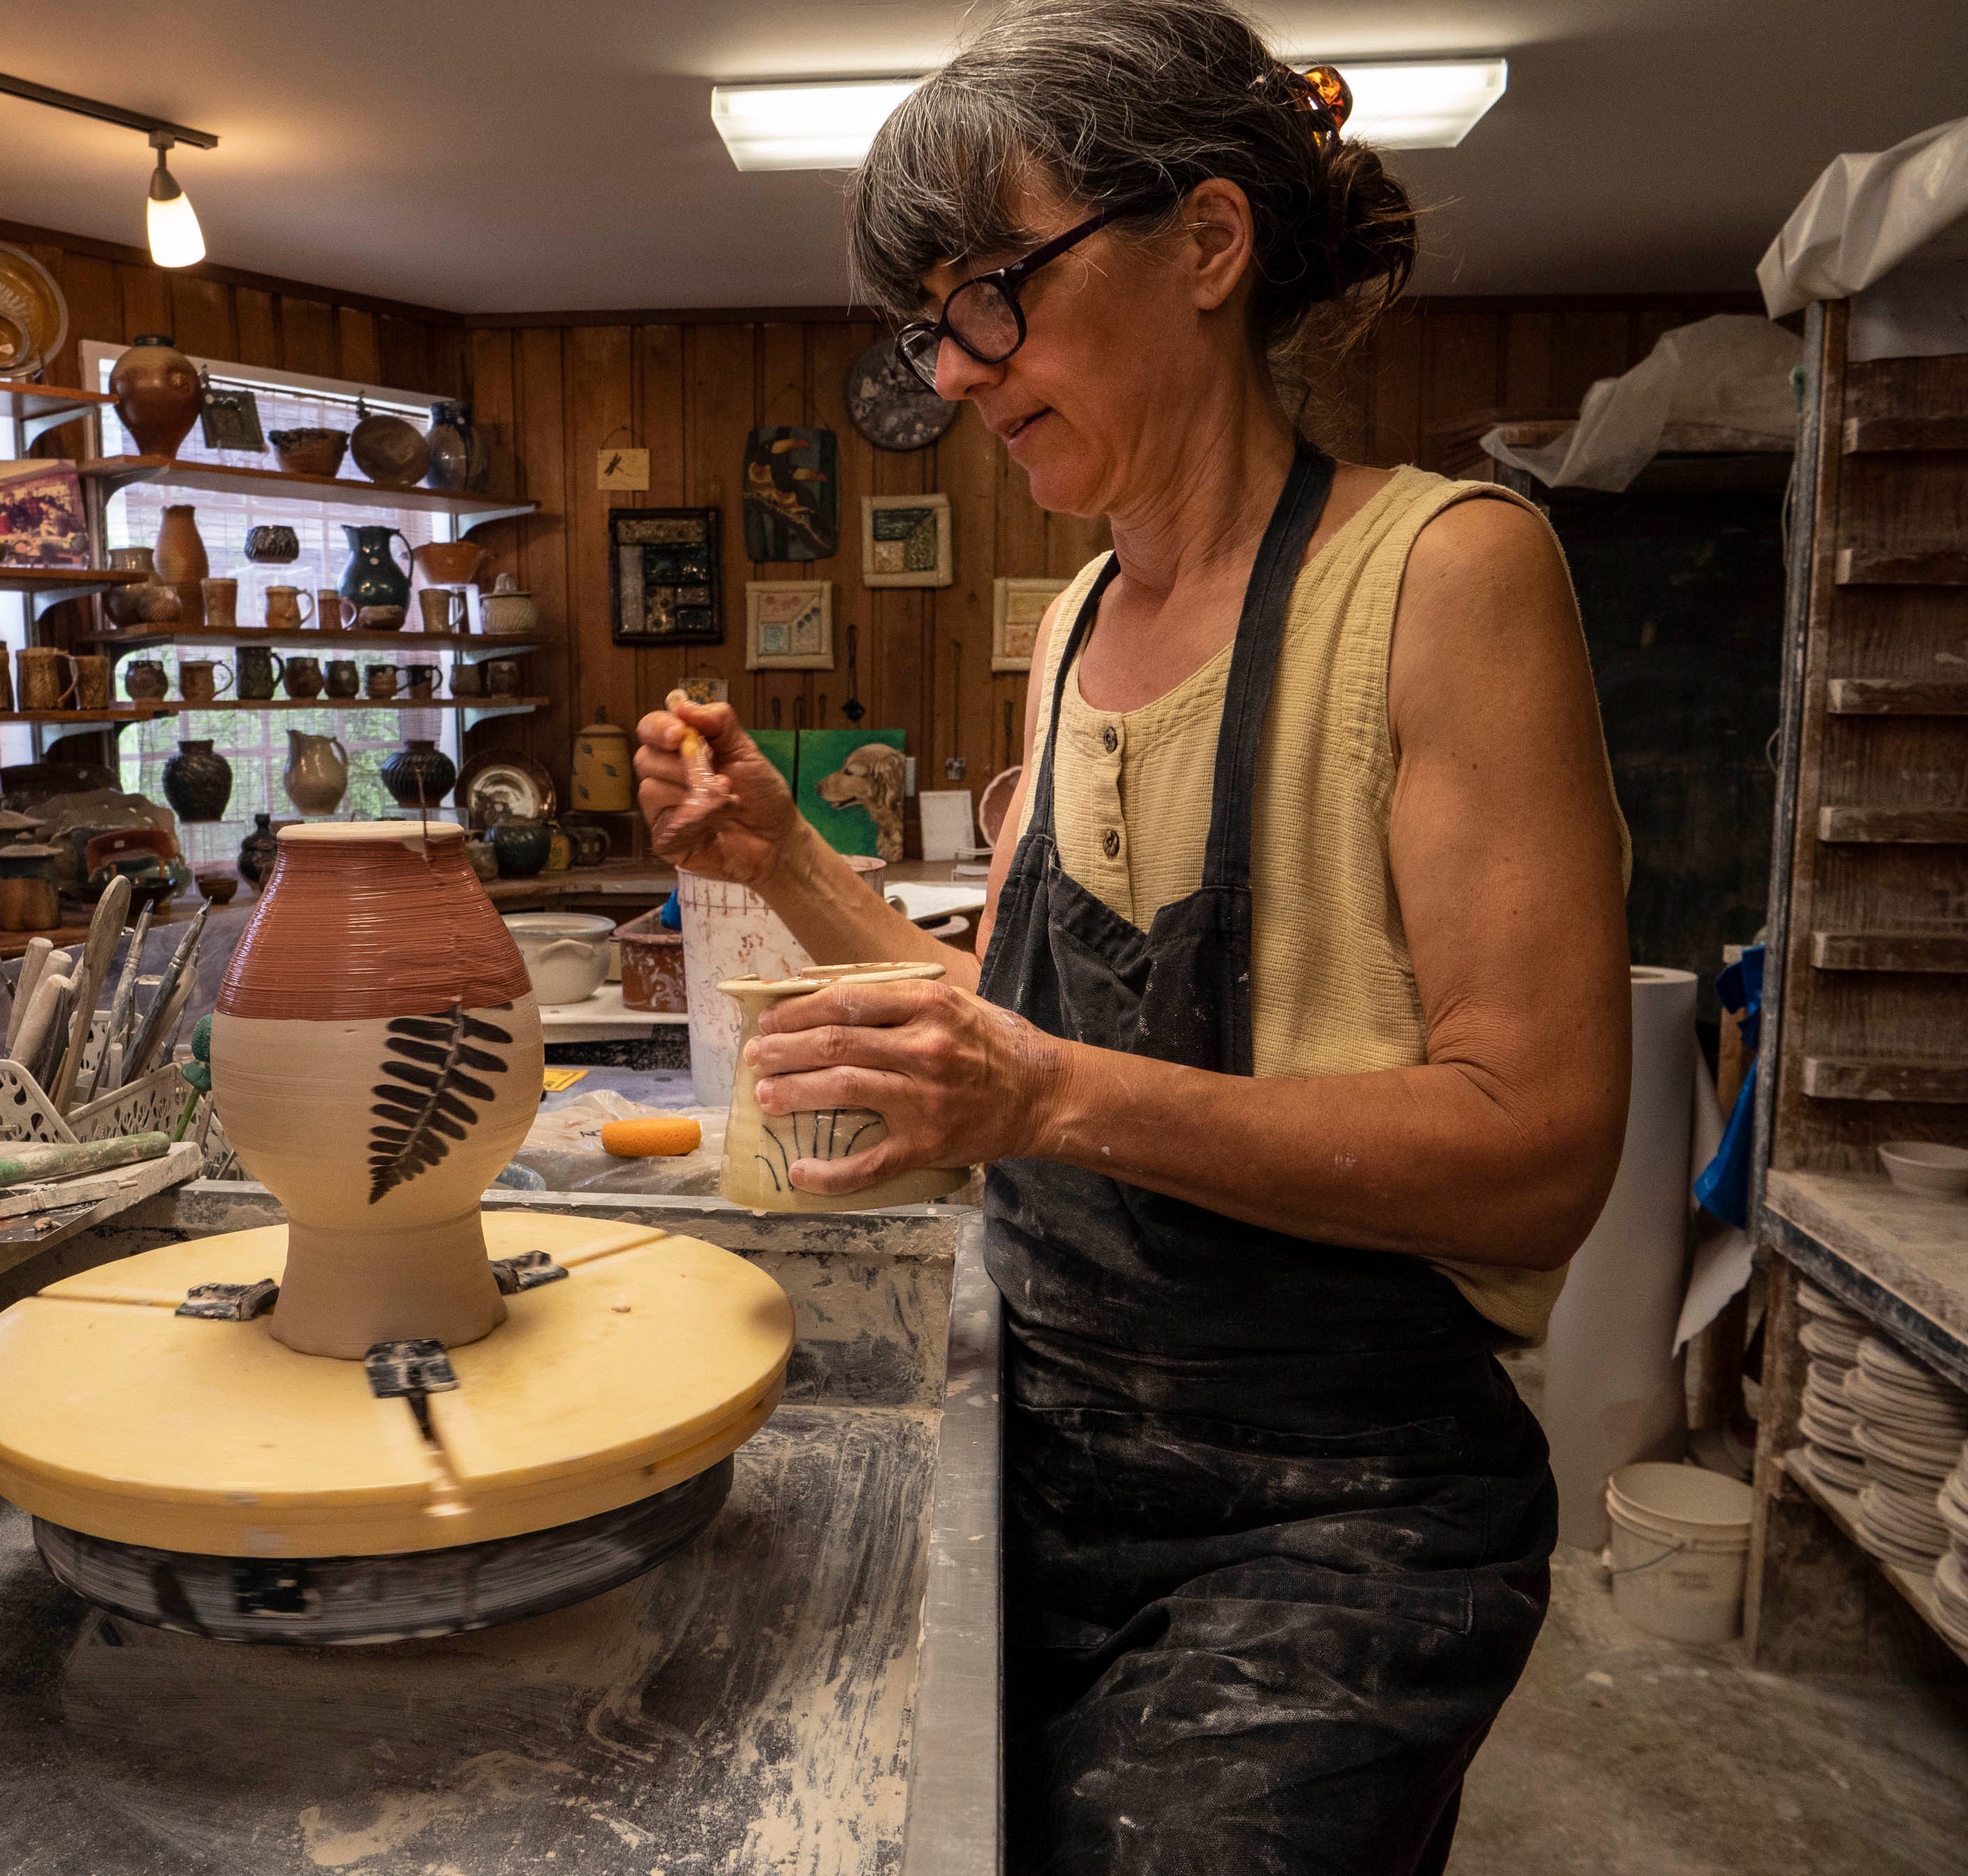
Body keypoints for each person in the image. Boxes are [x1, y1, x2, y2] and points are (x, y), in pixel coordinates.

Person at [634, 2, 1632, 1870]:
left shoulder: (1440, 575)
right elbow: (1004, 1025)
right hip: (1059, 1444)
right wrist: (779, 858)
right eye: (931, 324)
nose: (955, 368)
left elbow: (1537, 1149)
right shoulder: (1077, 624)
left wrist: (1045, 1090)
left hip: (1340, 1515)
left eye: (989, 292)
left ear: (1208, 244)